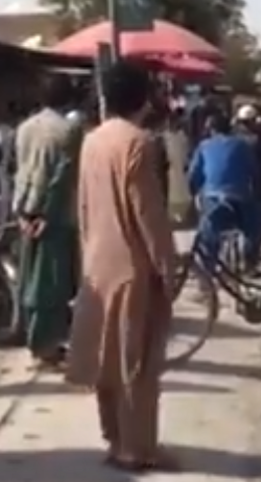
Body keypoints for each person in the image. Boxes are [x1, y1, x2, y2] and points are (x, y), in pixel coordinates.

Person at [65, 62, 178, 471]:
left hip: (98, 262)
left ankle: (113, 440)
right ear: (145, 98)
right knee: (139, 364)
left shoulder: (92, 141)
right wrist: (167, 265)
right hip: (134, 267)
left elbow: (83, 206)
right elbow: (148, 212)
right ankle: (139, 447)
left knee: (106, 360)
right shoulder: (139, 143)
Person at [12, 75, 81, 369]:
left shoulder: (24, 129)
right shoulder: (68, 131)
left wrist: (22, 214)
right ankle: (45, 345)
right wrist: (46, 216)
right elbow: (61, 178)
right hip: (54, 216)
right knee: (51, 284)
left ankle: (36, 339)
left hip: (24, 210)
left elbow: (19, 170)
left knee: (29, 279)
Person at [187, 112, 261, 271]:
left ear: (211, 130)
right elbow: (255, 172)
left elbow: (194, 175)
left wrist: (194, 193)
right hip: (240, 199)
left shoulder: (204, 146)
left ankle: (208, 269)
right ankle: (251, 259)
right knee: (256, 224)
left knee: (208, 234)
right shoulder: (242, 145)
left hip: (213, 198)